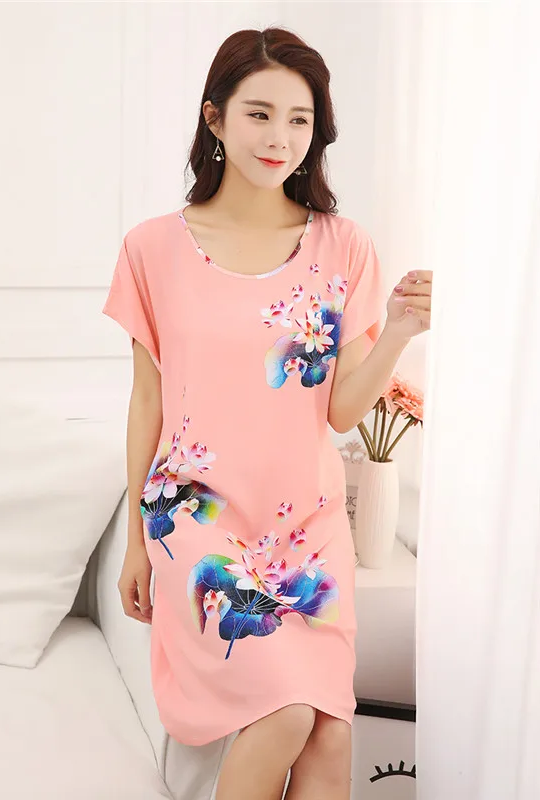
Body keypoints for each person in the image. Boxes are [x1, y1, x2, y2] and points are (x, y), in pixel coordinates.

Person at [102, 25, 432, 800]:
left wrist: (399, 331)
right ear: (214, 118)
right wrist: (135, 544)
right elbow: (146, 401)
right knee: (286, 713)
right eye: (258, 114)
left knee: (331, 731)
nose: (279, 137)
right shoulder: (152, 249)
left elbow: (341, 410)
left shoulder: (342, 247)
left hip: (306, 525)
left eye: (298, 118)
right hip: (196, 515)